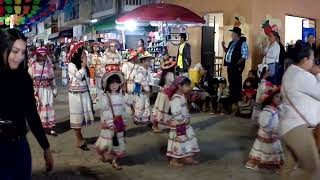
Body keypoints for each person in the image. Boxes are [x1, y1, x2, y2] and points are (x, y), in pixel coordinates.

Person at [0, 29, 53, 179]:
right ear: (4, 48)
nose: (19, 57)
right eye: (15, 51)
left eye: (23, 53)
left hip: (19, 146)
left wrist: (46, 148)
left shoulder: (24, 78)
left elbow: (31, 113)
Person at [280, 42, 320, 180]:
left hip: (289, 127)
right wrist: (319, 73)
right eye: (312, 59)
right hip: (298, 128)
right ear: (304, 60)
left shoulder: (291, 72)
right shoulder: (302, 76)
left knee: (288, 168)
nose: (314, 62)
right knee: (314, 170)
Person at [245, 88, 284, 172]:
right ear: (271, 97)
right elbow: (263, 123)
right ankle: (255, 163)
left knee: (273, 151)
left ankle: (274, 165)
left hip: (274, 135)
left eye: (281, 97)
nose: (279, 98)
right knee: (263, 151)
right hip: (267, 135)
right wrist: (270, 131)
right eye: (277, 96)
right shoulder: (268, 110)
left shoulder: (277, 109)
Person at [165, 76, 200, 167]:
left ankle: (186, 157)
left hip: (184, 124)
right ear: (180, 86)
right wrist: (183, 121)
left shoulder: (182, 96)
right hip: (179, 125)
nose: (189, 88)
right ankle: (174, 160)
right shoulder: (176, 98)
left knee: (186, 141)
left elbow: (185, 109)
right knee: (178, 142)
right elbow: (175, 112)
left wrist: (187, 118)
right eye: (187, 86)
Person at [95, 71, 127, 170]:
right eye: (111, 83)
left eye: (116, 83)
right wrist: (109, 122)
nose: (114, 85)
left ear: (119, 84)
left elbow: (123, 109)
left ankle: (114, 160)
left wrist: (124, 121)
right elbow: (105, 110)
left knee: (117, 143)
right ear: (107, 84)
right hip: (110, 124)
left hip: (119, 123)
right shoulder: (106, 96)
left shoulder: (121, 96)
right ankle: (102, 153)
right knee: (106, 143)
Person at [68, 42, 94, 151]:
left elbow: (88, 79)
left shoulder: (83, 64)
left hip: (84, 93)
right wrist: (83, 67)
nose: (85, 54)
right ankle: (79, 139)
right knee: (77, 117)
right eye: (83, 53)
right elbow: (77, 77)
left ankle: (80, 138)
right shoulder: (71, 65)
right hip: (75, 96)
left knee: (82, 117)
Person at [28, 47, 58, 136]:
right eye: (41, 55)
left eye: (44, 55)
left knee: (49, 107)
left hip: (47, 90)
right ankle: (41, 128)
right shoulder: (33, 66)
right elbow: (29, 78)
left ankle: (50, 127)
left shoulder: (49, 66)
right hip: (37, 91)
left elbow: (52, 79)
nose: (43, 57)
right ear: (37, 55)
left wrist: (54, 90)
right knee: (39, 108)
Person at [222, 27, 249, 103]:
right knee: (231, 81)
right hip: (230, 66)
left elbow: (244, 56)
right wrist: (223, 46)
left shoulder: (243, 43)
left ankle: (237, 98)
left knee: (236, 82)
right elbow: (227, 51)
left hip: (236, 67)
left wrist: (237, 64)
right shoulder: (231, 43)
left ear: (237, 34)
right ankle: (232, 98)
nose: (231, 35)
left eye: (233, 33)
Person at [151, 57, 176, 133]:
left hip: (161, 95)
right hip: (167, 95)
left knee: (158, 110)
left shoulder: (163, 73)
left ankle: (155, 126)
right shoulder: (171, 74)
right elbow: (172, 85)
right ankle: (171, 127)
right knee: (167, 110)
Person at [133, 51, 152, 125]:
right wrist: (145, 89)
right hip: (141, 90)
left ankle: (145, 119)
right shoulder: (140, 69)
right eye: (148, 60)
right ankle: (137, 119)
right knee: (140, 105)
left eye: (150, 60)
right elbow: (138, 81)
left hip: (145, 90)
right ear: (143, 61)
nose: (150, 62)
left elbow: (148, 80)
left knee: (146, 105)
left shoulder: (147, 69)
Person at [121, 50, 139, 119]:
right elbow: (123, 76)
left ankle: (136, 112)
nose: (137, 58)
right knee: (130, 99)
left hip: (136, 84)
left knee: (136, 99)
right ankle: (133, 111)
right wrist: (124, 86)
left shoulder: (137, 65)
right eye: (136, 57)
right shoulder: (125, 65)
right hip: (129, 84)